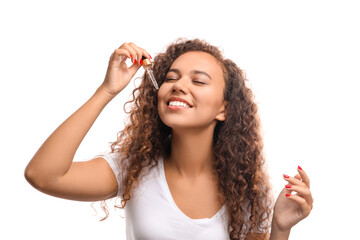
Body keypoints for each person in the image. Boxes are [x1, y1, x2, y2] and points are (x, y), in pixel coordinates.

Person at [24, 38, 313, 240]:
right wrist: (108, 90)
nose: (178, 86)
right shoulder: (133, 167)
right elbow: (43, 175)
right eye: (171, 78)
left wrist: (280, 229)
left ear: (224, 108)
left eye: (198, 81)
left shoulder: (247, 189)